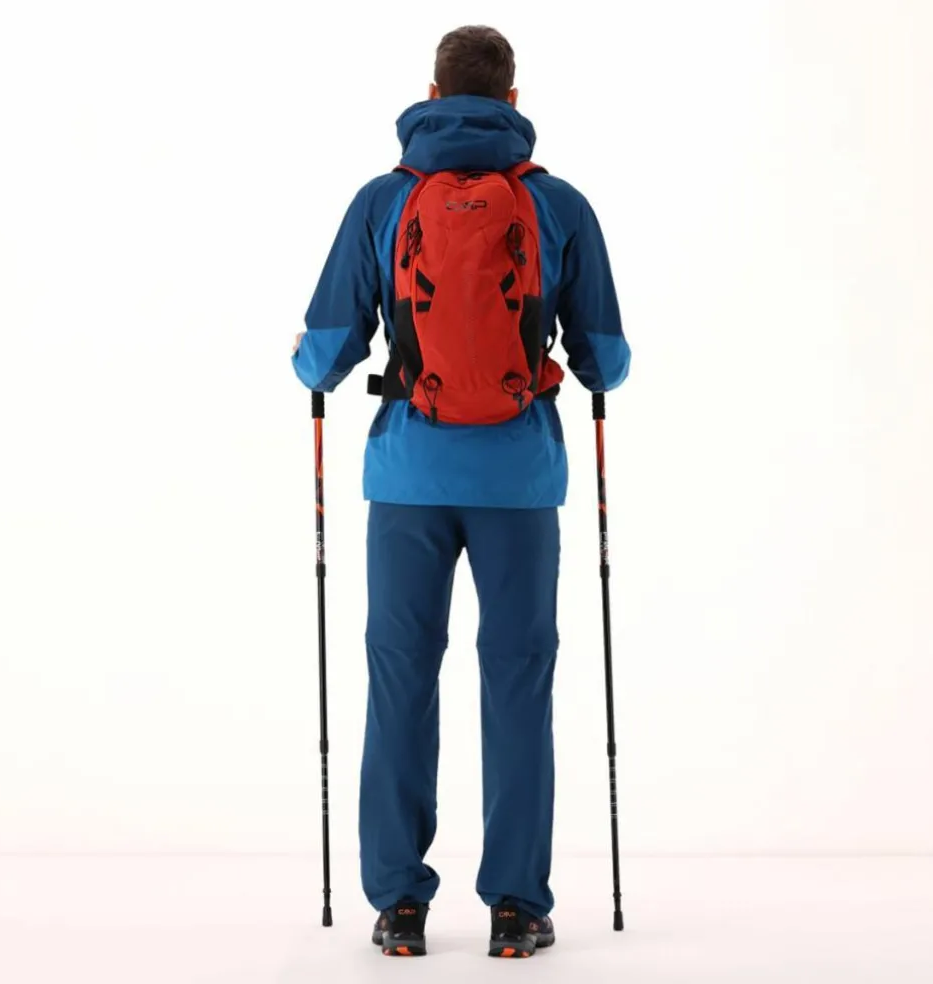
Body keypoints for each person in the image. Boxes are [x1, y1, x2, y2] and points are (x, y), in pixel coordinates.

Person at [291, 25, 630, 958]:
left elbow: (325, 356)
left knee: (402, 674)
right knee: (517, 678)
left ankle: (399, 906)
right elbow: (607, 362)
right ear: (513, 101)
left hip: (408, 476)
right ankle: (516, 908)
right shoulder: (557, 203)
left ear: (432, 94)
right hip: (520, 481)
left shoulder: (383, 200)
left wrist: (307, 364)